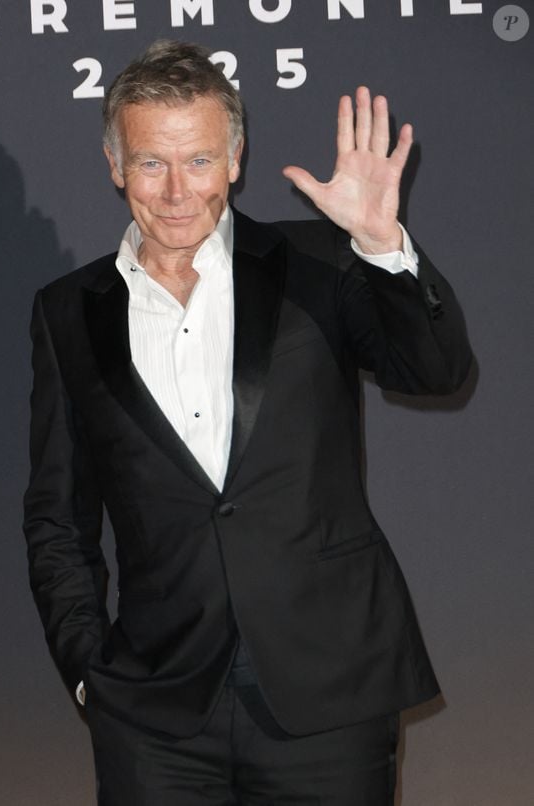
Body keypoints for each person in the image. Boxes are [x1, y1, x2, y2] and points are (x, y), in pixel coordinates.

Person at [23, 39, 471, 805]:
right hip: (155, 715)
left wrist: (382, 247)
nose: (174, 192)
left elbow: (436, 370)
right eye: (150, 163)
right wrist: (91, 677)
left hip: (330, 698)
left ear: (235, 160)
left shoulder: (321, 264)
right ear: (114, 165)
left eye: (198, 161)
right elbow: (58, 519)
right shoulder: (68, 309)